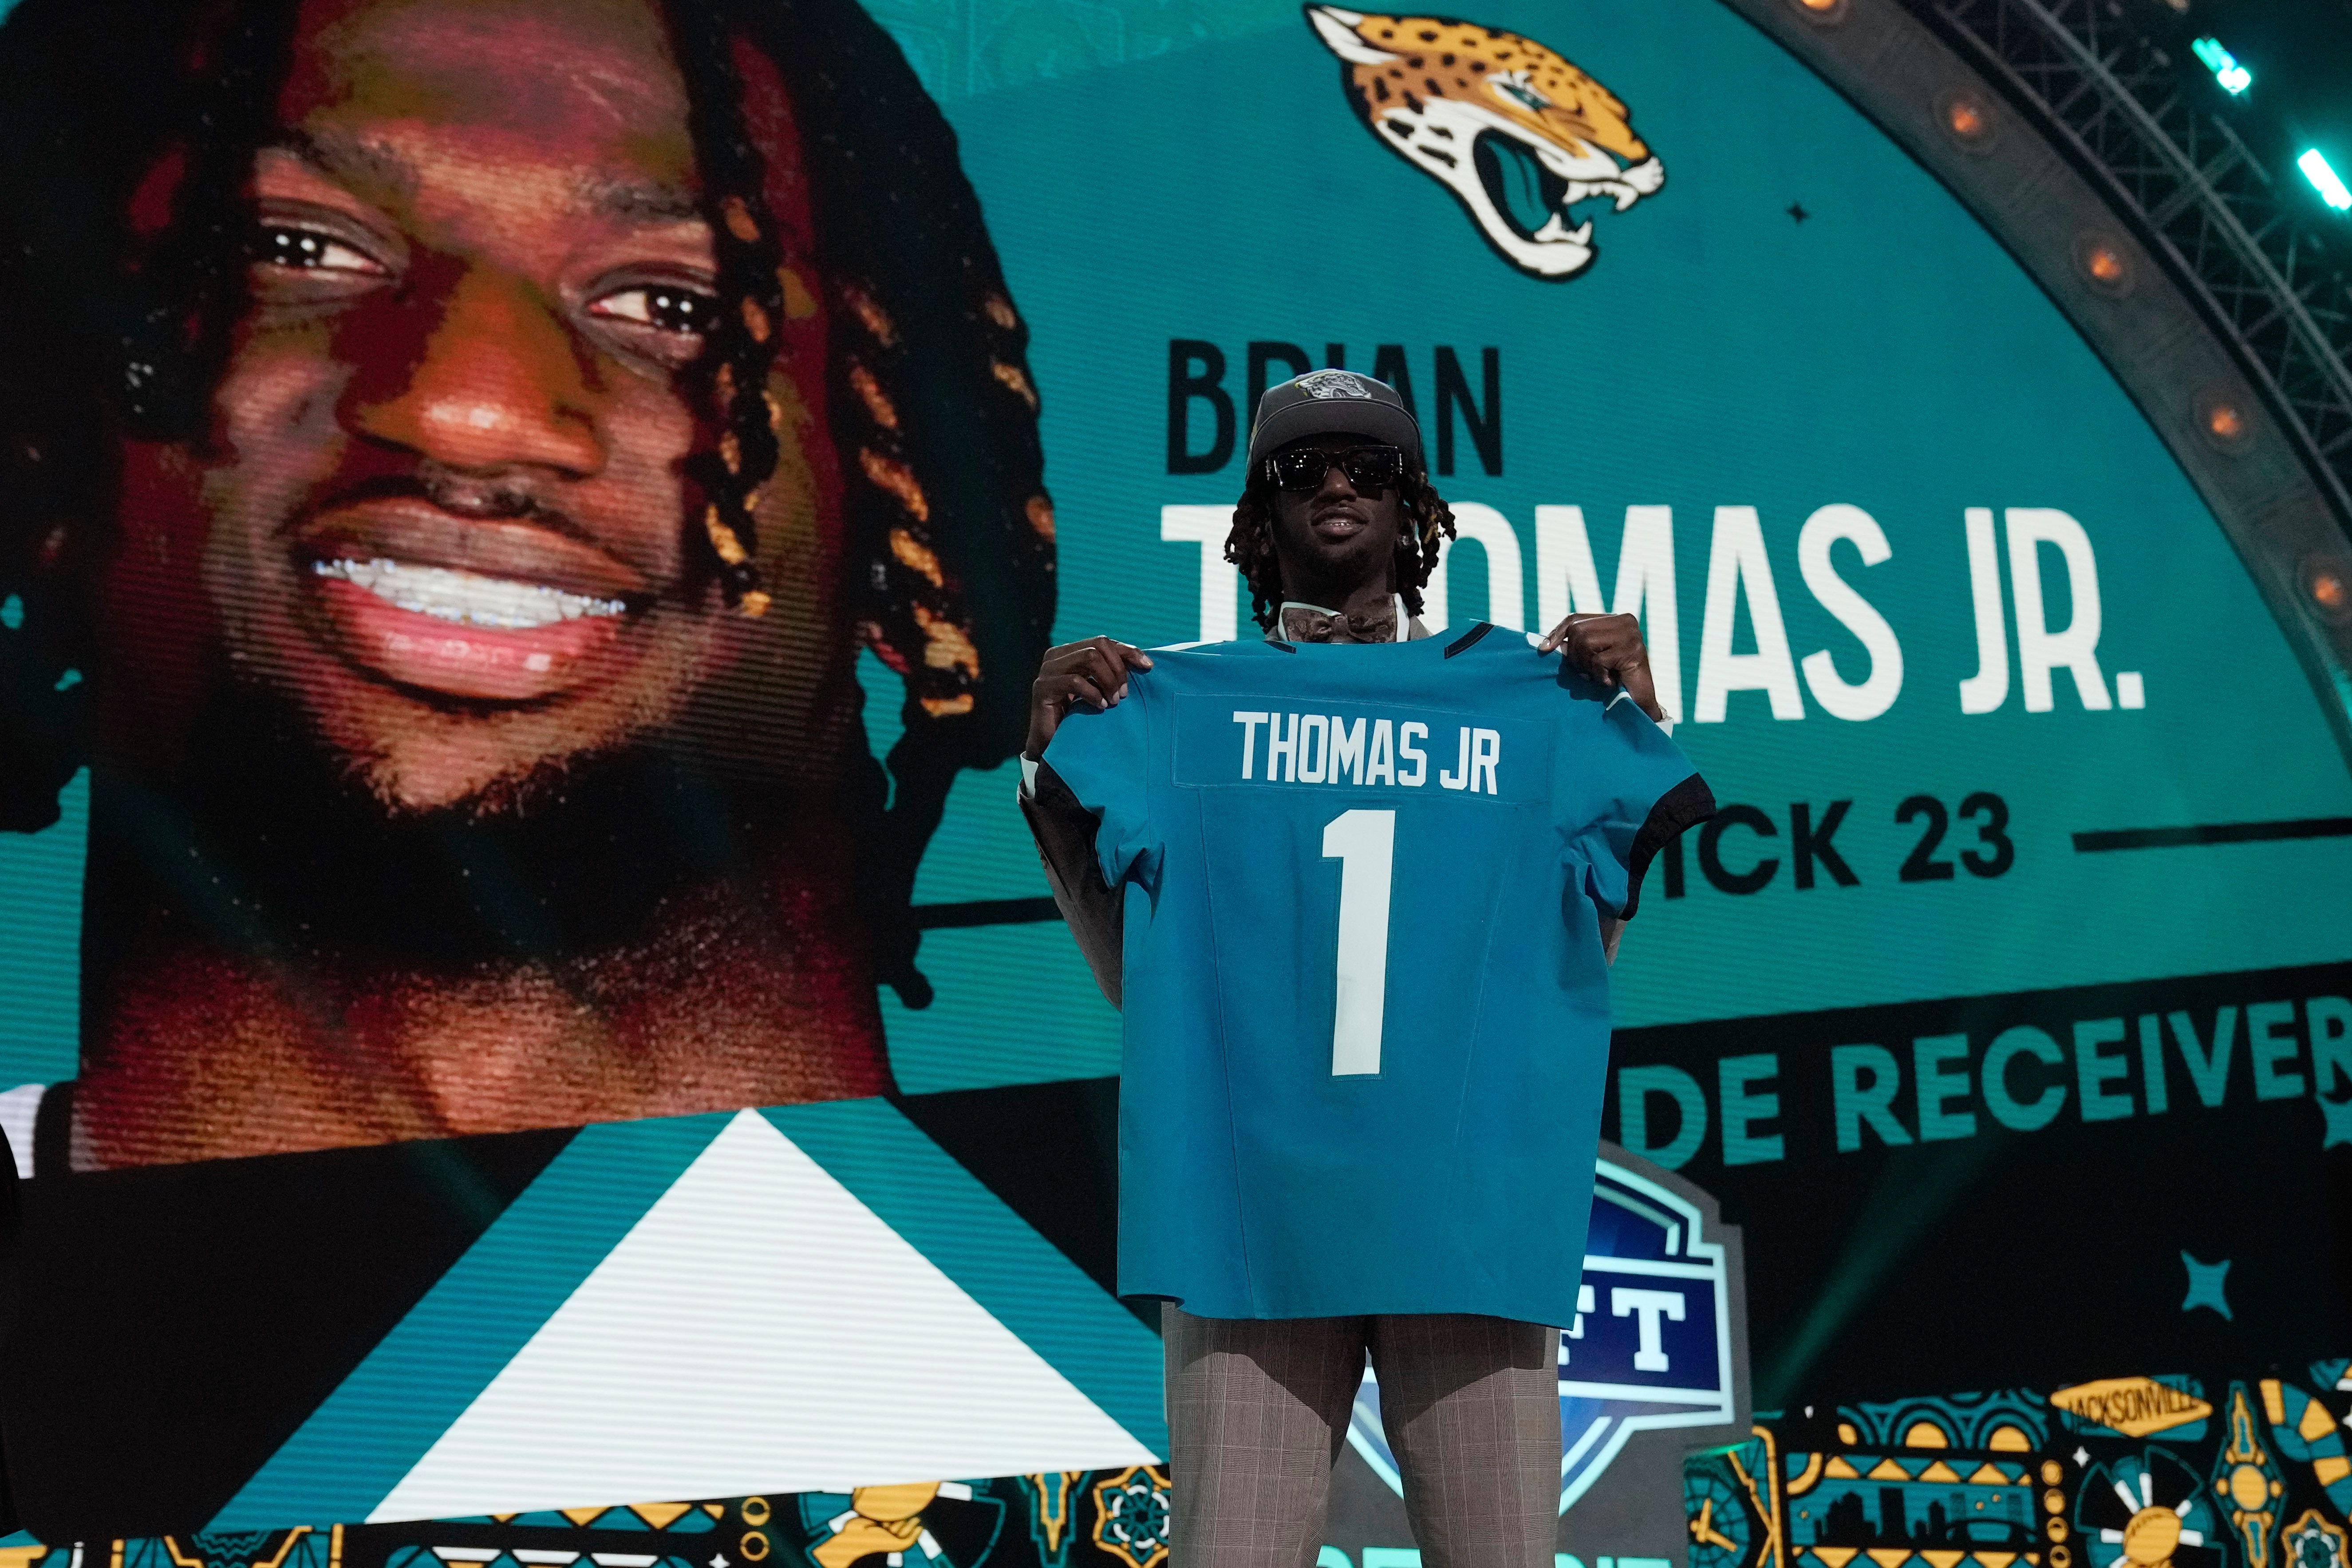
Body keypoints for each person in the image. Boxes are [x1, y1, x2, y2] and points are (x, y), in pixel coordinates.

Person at [0, 0, 1056, 1169]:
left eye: (670, 306)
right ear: (44, 441)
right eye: (298, 248)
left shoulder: (1169, 1299)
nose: (468, 407)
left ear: (905, 500)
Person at [1018, 371, 1697, 1568]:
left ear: (1414, 509)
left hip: (1463, 1225)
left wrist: (1633, 717)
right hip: (1249, 1231)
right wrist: (1049, 772)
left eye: (1369, 468)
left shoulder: (1537, 702)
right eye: (1300, 469)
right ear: (1253, 518)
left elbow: (1584, 948)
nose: (1335, 485)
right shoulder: (1164, 706)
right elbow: (1139, 978)